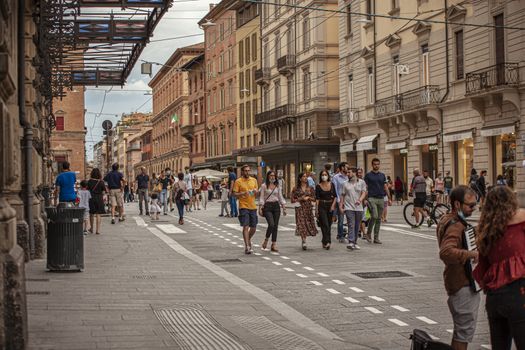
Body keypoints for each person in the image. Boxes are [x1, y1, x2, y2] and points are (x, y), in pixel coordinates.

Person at [473, 186, 525, 349]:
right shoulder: (522, 219)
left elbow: (482, 269)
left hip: (495, 300)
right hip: (519, 294)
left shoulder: (487, 230)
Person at [436, 185, 480, 350]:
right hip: (461, 283)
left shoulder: (447, 219)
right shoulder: (456, 225)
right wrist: (472, 255)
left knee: (461, 332)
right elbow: (446, 252)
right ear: (456, 204)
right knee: (463, 333)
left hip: (456, 281)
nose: (473, 209)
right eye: (470, 205)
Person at [232, 165, 259, 254]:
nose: (247, 172)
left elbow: (257, 194)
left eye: (248, 170)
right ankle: (247, 246)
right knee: (245, 226)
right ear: (243, 171)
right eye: (246, 171)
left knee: (254, 228)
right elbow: (234, 194)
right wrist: (242, 193)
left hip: (253, 206)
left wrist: (256, 192)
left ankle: (248, 239)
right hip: (243, 206)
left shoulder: (254, 180)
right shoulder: (238, 181)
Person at [364, 158, 391, 244]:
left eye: (378, 164)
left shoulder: (382, 175)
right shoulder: (368, 175)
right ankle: (368, 234)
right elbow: (365, 187)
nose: (376, 165)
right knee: (374, 216)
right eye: (375, 164)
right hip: (372, 198)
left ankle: (376, 237)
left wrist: (389, 197)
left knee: (379, 218)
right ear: (372, 165)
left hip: (381, 198)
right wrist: (365, 199)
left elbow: (385, 186)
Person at [259, 170, 287, 252]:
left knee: (275, 226)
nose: (272, 177)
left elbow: (280, 197)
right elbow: (261, 197)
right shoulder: (264, 186)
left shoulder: (277, 186)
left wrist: (284, 207)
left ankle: (273, 244)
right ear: (268, 176)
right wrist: (260, 208)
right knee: (271, 224)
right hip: (267, 206)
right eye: (271, 175)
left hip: (276, 207)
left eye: (274, 176)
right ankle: (266, 239)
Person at [340, 167, 367, 251]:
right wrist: (341, 206)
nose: (347, 174)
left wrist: (360, 200)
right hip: (349, 207)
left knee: (356, 226)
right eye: (347, 173)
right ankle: (351, 242)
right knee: (351, 224)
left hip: (359, 208)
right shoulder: (345, 184)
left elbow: (364, 192)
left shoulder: (362, 182)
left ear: (355, 173)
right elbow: (342, 195)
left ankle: (354, 242)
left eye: (349, 172)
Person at [291, 172, 318, 250]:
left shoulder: (310, 188)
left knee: (307, 224)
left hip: (308, 209)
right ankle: (304, 241)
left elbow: (315, 198)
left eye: (306, 176)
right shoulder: (295, 188)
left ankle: (304, 239)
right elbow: (292, 200)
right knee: (301, 224)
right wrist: (301, 199)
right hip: (299, 209)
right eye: (303, 176)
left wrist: (309, 198)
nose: (305, 178)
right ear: (300, 178)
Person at [316, 170, 336, 250]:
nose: (324, 176)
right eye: (322, 175)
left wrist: (333, 206)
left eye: (325, 174)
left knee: (329, 224)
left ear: (328, 176)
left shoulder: (332, 184)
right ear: (320, 176)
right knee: (325, 224)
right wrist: (316, 209)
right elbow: (317, 198)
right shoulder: (318, 186)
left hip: (330, 205)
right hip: (322, 205)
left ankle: (324, 241)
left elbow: (335, 196)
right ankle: (328, 242)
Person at [332, 162, 349, 243]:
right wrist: (339, 202)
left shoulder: (349, 176)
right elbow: (335, 190)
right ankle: (340, 236)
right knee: (340, 219)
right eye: (346, 167)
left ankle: (347, 234)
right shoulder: (336, 177)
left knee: (349, 219)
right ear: (342, 168)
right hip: (339, 201)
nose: (347, 169)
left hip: (349, 201)